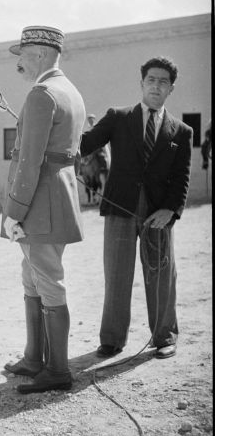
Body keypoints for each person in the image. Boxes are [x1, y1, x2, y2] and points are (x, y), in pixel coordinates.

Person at [81, 56, 192, 360]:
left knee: (161, 274)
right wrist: (50, 139)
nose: (156, 85)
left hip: (158, 213)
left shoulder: (181, 132)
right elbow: (85, 143)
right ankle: (112, 339)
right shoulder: (118, 117)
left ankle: (164, 336)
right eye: (151, 80)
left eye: (163, 81)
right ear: (142, 83)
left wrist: (171, 210)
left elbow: (181, 176)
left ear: (171, 88)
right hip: (120, 207)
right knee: (116, 274)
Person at [1, 25, 85, 394]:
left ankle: (57, 370)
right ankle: (35, 358)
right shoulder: (70, 91)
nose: (19, 61)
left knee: (48, 279)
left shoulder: (42, 94)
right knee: (32, 274)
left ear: (40, 54)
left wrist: (14, 210)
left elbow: (30, 161)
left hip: (39, 201)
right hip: (56, 196)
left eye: (22, 54)